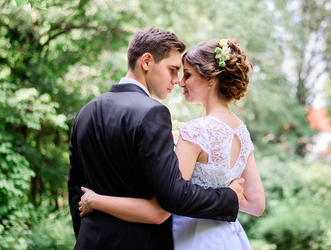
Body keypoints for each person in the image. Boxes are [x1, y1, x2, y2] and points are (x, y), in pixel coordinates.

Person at [79, 38, 265, 249]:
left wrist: (94, 201)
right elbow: (257, 205)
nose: (180, 82)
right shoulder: (242, 132)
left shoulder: (195, 131)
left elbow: (161, 209)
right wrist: (229, 197)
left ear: (210, 79)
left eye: (187, 75)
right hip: (228, 238)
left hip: (194, 238)